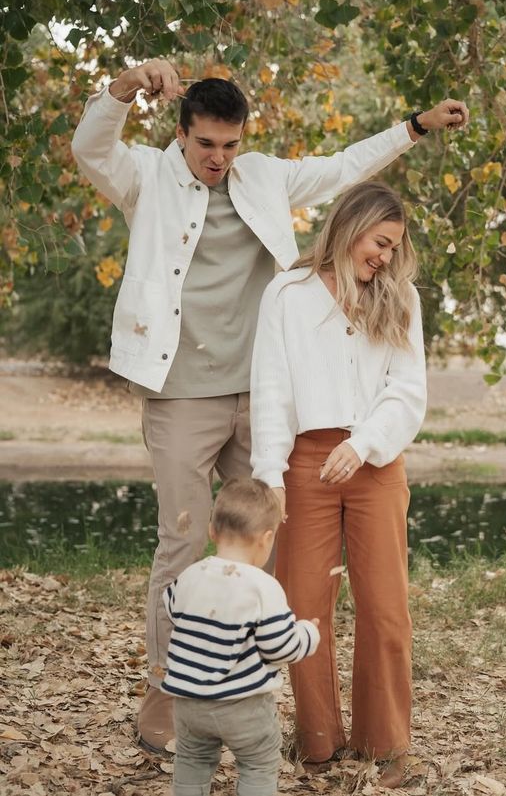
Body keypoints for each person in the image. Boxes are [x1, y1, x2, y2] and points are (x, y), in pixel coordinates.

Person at [70, 56, 468, 752]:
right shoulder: (145, 174)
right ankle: (169, 694)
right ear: (182, 132)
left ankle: (246, 688)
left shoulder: (265, 177)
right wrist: (121, 89)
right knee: (181, 539)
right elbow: (89, 149)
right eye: (204, 145)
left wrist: (414, 127)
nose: (217, 159)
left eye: (230, 144)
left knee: (266, 541)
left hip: (260, 393)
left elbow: (345, 166)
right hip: (180, 391)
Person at [249, 181, 426, 788]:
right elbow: (271, 389)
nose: (384, 256)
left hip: (376, 463)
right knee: (302, 606)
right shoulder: (288, 294)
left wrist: (365, 443)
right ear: (350, 226)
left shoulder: (400, 297)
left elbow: (408, 392)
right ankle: (318, 741)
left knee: (385, 608)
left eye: (394, 247)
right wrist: (270, 476)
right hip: (304, 465)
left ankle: (386, 744)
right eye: (380, 242)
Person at [161, 477, 320, 796]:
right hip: (242, 704)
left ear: (212, 531)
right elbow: (280, 647)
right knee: (258, 764)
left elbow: (171, 608)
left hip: (189, 701)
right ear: (266, 538)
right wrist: (308, 633)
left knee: (192, 761)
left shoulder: (190, 576)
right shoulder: (263, 587)